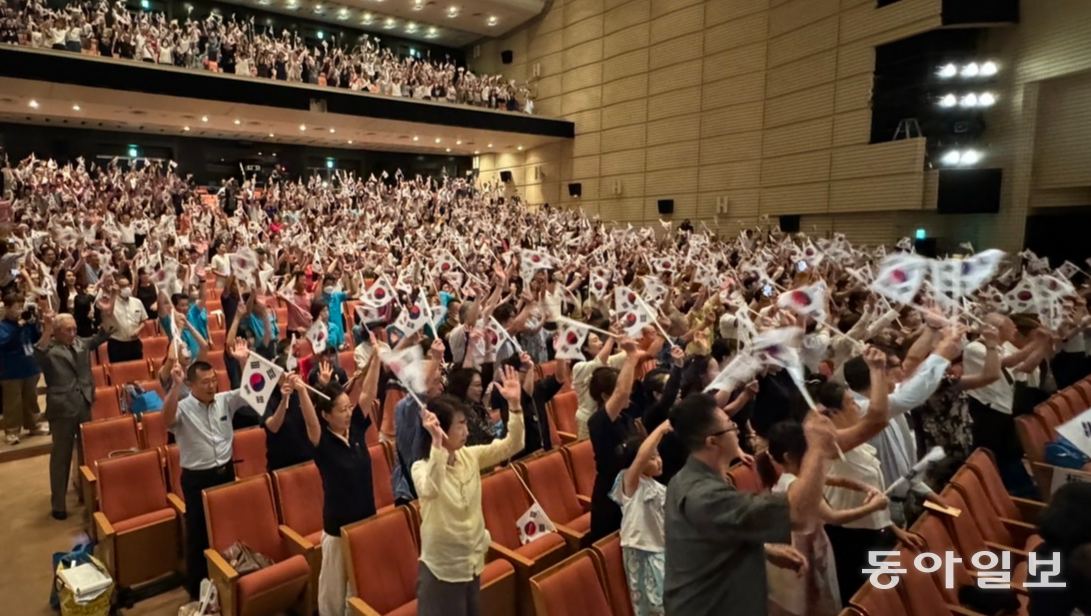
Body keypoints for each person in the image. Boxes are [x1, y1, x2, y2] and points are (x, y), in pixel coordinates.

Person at [663, 393, 839, 616]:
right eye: (730, 426)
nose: (738, 431)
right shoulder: (703, 495)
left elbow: (713, 534)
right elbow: (798, 515)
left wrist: (765, 549)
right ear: (712, 441)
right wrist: (817, 448)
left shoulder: (686, 478)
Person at [412, 366, 526, 616]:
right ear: (441, 429)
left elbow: (513, 445)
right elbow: (430, 488)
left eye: (465, 424)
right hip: (442, 571)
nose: (466, 431)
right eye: (459, 425)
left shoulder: (470, 456)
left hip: (472, 564)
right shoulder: (421, 467)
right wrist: (438, 444)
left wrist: (515, 407)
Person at [766, 421, 890, 616]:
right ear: (790, 457)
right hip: (804, 550)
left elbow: (833, 479)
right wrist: (873, 506)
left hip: (811, 544)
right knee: (814, 602)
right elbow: (834, 517)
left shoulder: (797, 477)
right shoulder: (794, 485)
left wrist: (863, 487)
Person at [161, 340, 252, 599]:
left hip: (225, 473)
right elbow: (166, 420)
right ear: (191, 385)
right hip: (197, 478)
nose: (212, 385)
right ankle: (198, 592)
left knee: (227, 530)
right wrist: (175, 386)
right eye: (205, 382)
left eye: (214, 380)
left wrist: (244, 361)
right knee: (199, 536)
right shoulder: (183, 407)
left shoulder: (224, 400)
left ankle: (226, 584)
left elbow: (250, 391)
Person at [296, 351, 381, 616]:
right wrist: (300, 390)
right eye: (342, 409)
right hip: (337, 527)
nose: (348, 413)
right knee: (333, 591)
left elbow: (367, 395)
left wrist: (376, 360)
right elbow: (310, 420)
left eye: (348, 407)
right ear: (327, 415)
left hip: (366, 520)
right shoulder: (323, 443)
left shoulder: (354, 429)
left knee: (361, 585)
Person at [34, 311, 112, 519]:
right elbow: (38, 353)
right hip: (62, 408)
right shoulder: (49, 349)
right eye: (68, 330)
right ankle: (58, 503)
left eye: (74, 329)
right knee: (61, 455)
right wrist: (47, 328)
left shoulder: (80, 344)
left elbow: (102, 335)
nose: (73, 333)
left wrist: (107, 313)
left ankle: (85, 495)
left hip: (84, 402)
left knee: (86, 453)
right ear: (57, 332)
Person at [610, 420, 673, 616]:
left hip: (662, 549)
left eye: (658, 456)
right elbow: (640, 458)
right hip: (643, 552)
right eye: (652, 457)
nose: (659, 461)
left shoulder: (659, 487)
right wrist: (661, 429)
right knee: (655, 607)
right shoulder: (630, 483)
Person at [588, 336, 641, 540]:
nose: (629, 395)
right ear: (604, 396)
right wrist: (631, 357)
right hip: (610, 501)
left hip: (631, 496)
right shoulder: (598, 421)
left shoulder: (627, 419)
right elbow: (621, 392)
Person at [0, 292, 47, 445]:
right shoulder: (3, 326)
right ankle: (12, 432)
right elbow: (5, 343)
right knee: (13, 403)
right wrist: (18, 327)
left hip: (30, 366)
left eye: (21, 306)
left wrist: (33, 324)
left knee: (31, 399)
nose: (20, 310)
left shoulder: (25, 323)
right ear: (6, 308)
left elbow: (35, 339)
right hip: (11, 370)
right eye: (16, 307)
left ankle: (34, 425)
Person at [101, 275, 149, 363]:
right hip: (117, 344)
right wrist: (113, 294)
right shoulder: (109, 302)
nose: (127, 288)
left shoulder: (137, 302)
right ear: (117, 287)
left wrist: (138, 330)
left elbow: (143, 321)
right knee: (119, 373)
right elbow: (108, 313)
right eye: (123, 286)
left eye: (128, 285)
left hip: (134, 344)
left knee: (137, 370)